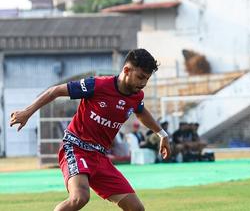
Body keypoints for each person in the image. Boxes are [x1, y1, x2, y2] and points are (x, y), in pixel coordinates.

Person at [9, 48, 171, 211]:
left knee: (136, 209)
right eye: (141, 77)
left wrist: (162, 134)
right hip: (75, 147)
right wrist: (27, 112)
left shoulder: (136, 96)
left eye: (147, 79)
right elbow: (55, 91)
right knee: (79, 198)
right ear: (127, 70)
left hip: (100, 157)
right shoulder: (97, 85)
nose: (143, 83)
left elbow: (141, 112)